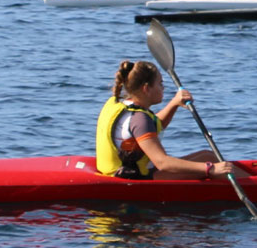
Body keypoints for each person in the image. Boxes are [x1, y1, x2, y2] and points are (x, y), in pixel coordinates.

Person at [96, 60, 247, 180]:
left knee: (207, 155)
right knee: (212, 163)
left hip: (123, 170)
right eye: (160, 84)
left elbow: (150, 129)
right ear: (146, 89)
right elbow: (162, 163)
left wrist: (174, 103)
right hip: (137, 177)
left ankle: (254, 180)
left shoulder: (119, 104)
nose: (163, 88)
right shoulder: (140, 119)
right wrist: (210, 169)